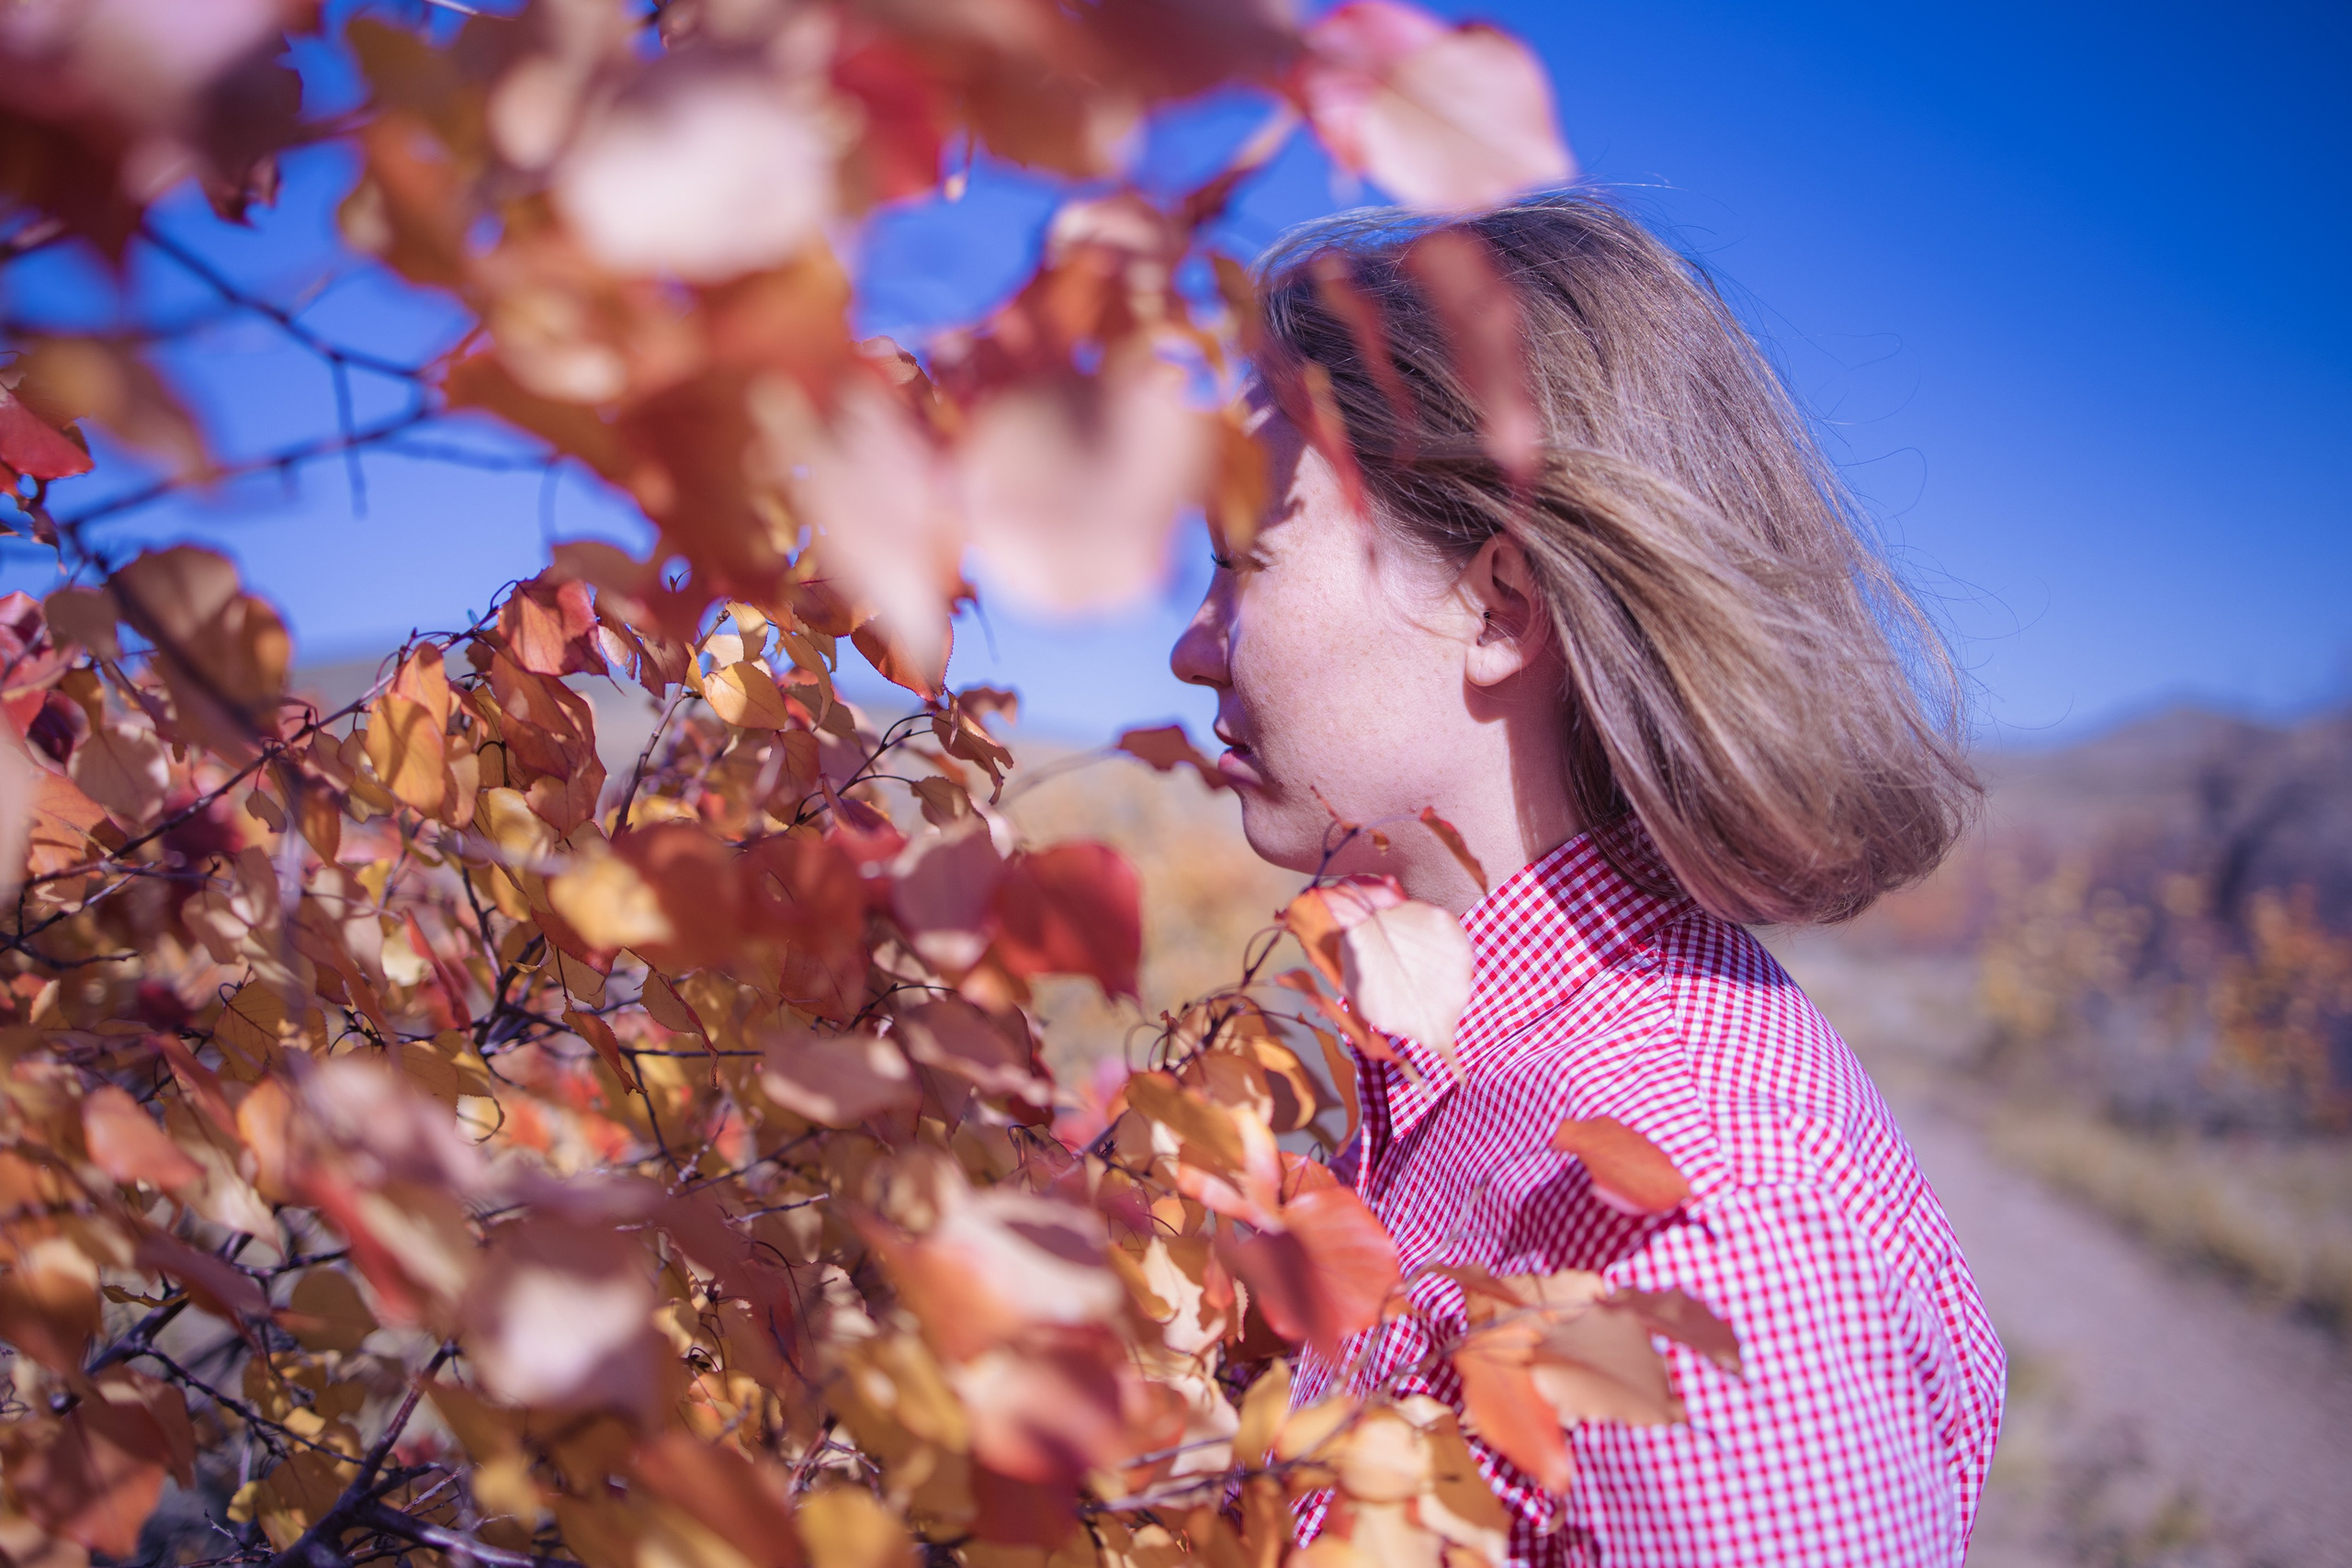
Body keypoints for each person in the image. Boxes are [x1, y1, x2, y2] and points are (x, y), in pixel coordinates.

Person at [1170, 193, 2005, 1567]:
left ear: (1496, 604)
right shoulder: (1439, 1071)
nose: (1195, 649)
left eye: (1241, 559)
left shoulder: (1716, 1240)